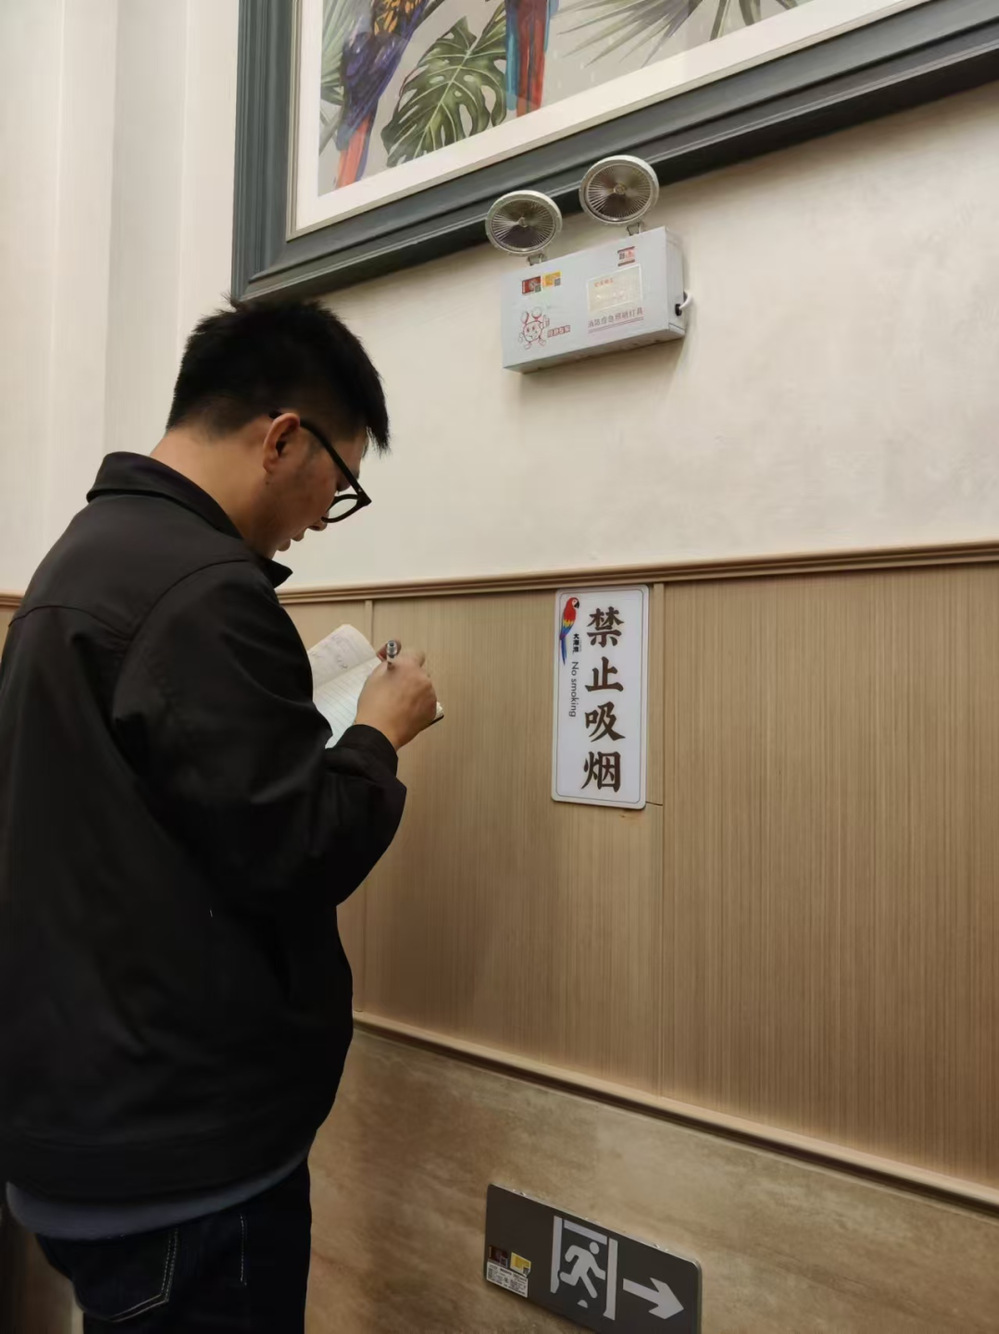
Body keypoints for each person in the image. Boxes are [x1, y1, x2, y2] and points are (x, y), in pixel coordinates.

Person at [0, 299, 438, 1331]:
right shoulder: (205, 589)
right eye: (340, 483)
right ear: (283, 437)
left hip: (86, 1117)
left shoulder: (81, 557)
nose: (321, 518)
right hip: (184, 1160)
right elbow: (297, 847)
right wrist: (378, 732)